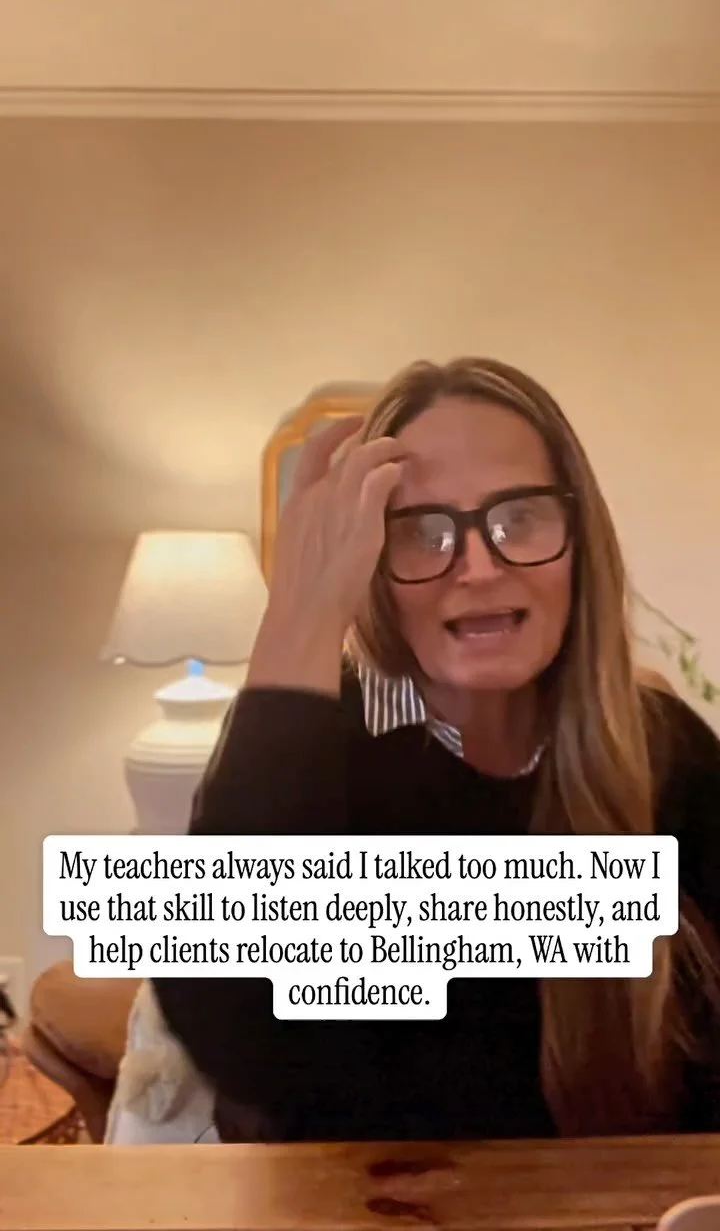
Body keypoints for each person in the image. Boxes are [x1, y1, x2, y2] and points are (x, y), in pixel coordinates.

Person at [153, 356, 720, 1142]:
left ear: (580, 543)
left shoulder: (665, 748)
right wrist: (299, 618)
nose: (479, 567)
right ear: (373, 567)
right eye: (421, 532)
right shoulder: (312, 746)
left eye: (519, 517)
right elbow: (236, 1036)